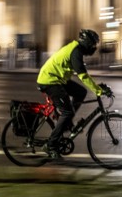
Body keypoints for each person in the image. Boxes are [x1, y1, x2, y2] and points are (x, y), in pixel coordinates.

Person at [37, 29, 105, 159]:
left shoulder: (76, 49)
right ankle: (50, 145)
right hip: (49, 81)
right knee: (67, 112)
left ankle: (67, 123)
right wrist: (98, 91)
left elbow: (84, 77)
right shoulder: (76, 51)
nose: (94, 48)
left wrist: (98, 87)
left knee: (81, 92)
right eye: (93, 44)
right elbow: (83, 76)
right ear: (87, 42)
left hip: (58, 79)